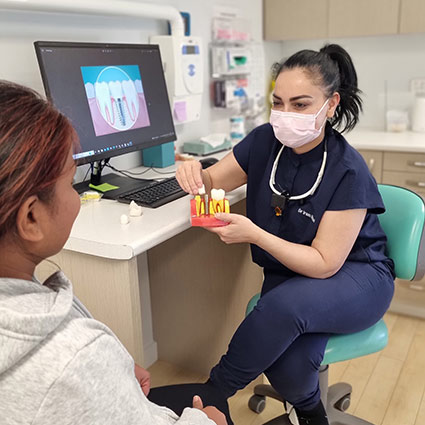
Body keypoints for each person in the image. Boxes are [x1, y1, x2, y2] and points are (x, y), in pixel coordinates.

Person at [176, 44, 395, 425]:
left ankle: (212, 393)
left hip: (358, 275)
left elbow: (326, 263)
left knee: (279, 309)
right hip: (293, 275)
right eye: (278, 102)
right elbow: (213, 181)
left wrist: (256, 235)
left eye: (300, 104)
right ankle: (314, 416)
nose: (285, 115)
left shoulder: (348, 169)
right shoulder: (264, 142)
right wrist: (193, 173)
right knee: (286, 366)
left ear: (331, 104)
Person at [0, 80, 232, 425]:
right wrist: (206, 421)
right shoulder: (73, 359)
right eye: (70, 181)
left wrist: (115, 368)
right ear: (31, 217)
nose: (75, 195)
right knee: (214, 403)